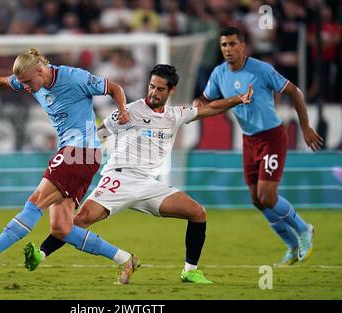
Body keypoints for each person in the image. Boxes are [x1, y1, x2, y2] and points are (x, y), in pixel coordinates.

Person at [24, 64, 253, 284]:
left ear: (171, 90)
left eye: (160, 88)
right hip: (119, 178)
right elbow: (100, 133)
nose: (154, 92)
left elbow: (208, 109)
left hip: (149, 185)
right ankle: (40, 254)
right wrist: (73, 154)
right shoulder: (131, 110)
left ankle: (190, 272)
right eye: (151, 86)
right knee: (80, 221)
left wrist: (238, 99)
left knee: (198, 213)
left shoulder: (175, 115)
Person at [0, 48, 148, 285]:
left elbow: (114, 88)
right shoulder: (30, 80)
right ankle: (126, 259)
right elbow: (0, 82)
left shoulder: (74, 77)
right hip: (78, 156)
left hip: (79, 152)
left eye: (29, 82)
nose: (26, 88)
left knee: (35, 201)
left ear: (40, 70)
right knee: (62, 228)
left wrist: (123, 110)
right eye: (22, 83)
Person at [193, 27, 324, 266]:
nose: (228, 49)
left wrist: (305, 128)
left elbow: (295, 92)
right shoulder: (219, 73)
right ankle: (291, 246)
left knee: (268, 196)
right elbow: (205, 99)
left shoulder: (261, 70)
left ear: (243, 46)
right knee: (256, 199)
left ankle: (304, 230)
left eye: (232, 44)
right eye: (224, 45)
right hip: (249, 139)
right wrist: (197, 103)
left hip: (272, 136)